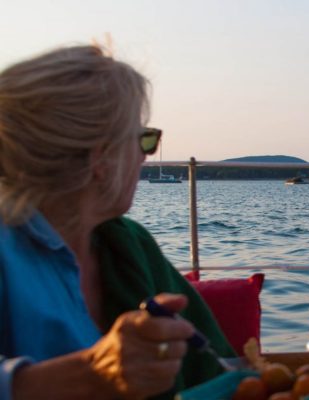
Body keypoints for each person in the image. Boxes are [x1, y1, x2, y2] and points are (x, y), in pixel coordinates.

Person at [0, 45, 235, 399]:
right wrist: (91, 374)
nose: (146, 154)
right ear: (101, 157)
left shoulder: (127, 244)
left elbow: (219, 371)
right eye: (144, 138)